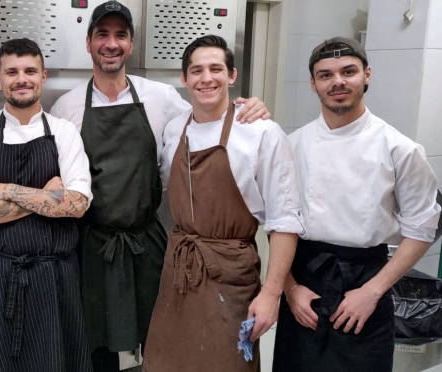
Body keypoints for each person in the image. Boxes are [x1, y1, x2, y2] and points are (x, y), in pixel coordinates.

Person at [50, 3, 271, 371]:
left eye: (120, 35)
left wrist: (249, 107)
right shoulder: (66, 106)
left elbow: (209, 117)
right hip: (92, 245)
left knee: (161, 338)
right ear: (89, 43)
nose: (111, 43)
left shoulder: (162, 98)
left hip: (147, 244)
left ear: (131, 44)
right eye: (102, 34)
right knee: (96, 345)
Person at [272, 37, 441, 372]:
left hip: (366, 282)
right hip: (304, 280)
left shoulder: (400, 149)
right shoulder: (292, 146)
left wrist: (372, 292)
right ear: (313, 83)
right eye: (326, 75)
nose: (337, 81)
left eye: (348, 71)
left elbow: (423, 228)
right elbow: (279, 223)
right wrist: (290, 289)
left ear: (366, 74)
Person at [141, 34, 304, 372]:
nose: (206, 78)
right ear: (184, 79)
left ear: (232, 76)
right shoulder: (174, 129)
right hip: (180, 269)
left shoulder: (262, 133)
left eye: (216, 69)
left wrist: (272, 294)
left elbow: (284, 222)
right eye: (196, 71)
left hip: (231, 273)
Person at [0, 38, 93, 372]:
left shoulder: (64, 132)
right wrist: (45, 195)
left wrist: (4, 189)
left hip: (57, 277)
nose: (22, 79)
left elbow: (77, 204)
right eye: (12, 71)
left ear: (43, 76)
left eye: (30, 70)